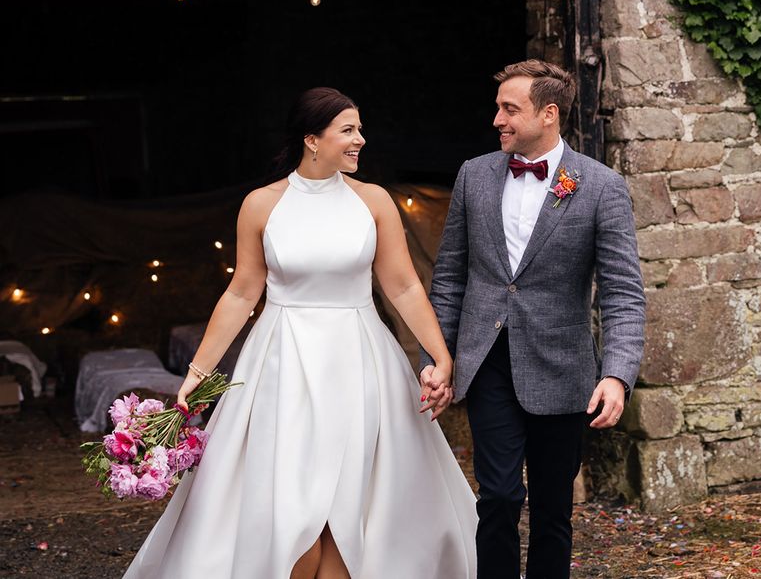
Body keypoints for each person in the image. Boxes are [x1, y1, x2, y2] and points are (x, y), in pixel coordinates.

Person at [123, 87, 477, 579]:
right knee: (288, 497)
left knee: (355, 498)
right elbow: (242, 294)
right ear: (312, 139)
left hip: (360, 360)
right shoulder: (261, 205)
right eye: (348, 130)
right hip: (281, 361)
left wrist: (439, 357)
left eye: (359, 129)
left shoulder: (373, 202)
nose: (361, 140)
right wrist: (197, 373)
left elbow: (403, 287)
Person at [419, 60, 646, 579]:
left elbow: (623, 292)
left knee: (552, 511)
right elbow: (449, 277)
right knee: (497, 496)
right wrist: (438, 356)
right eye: (498, 107)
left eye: (509, 108)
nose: (496, 118)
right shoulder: (473, 175)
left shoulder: (601, 186)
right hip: (489, 362)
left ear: (548, 114)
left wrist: (616, 374)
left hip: (564, 370)